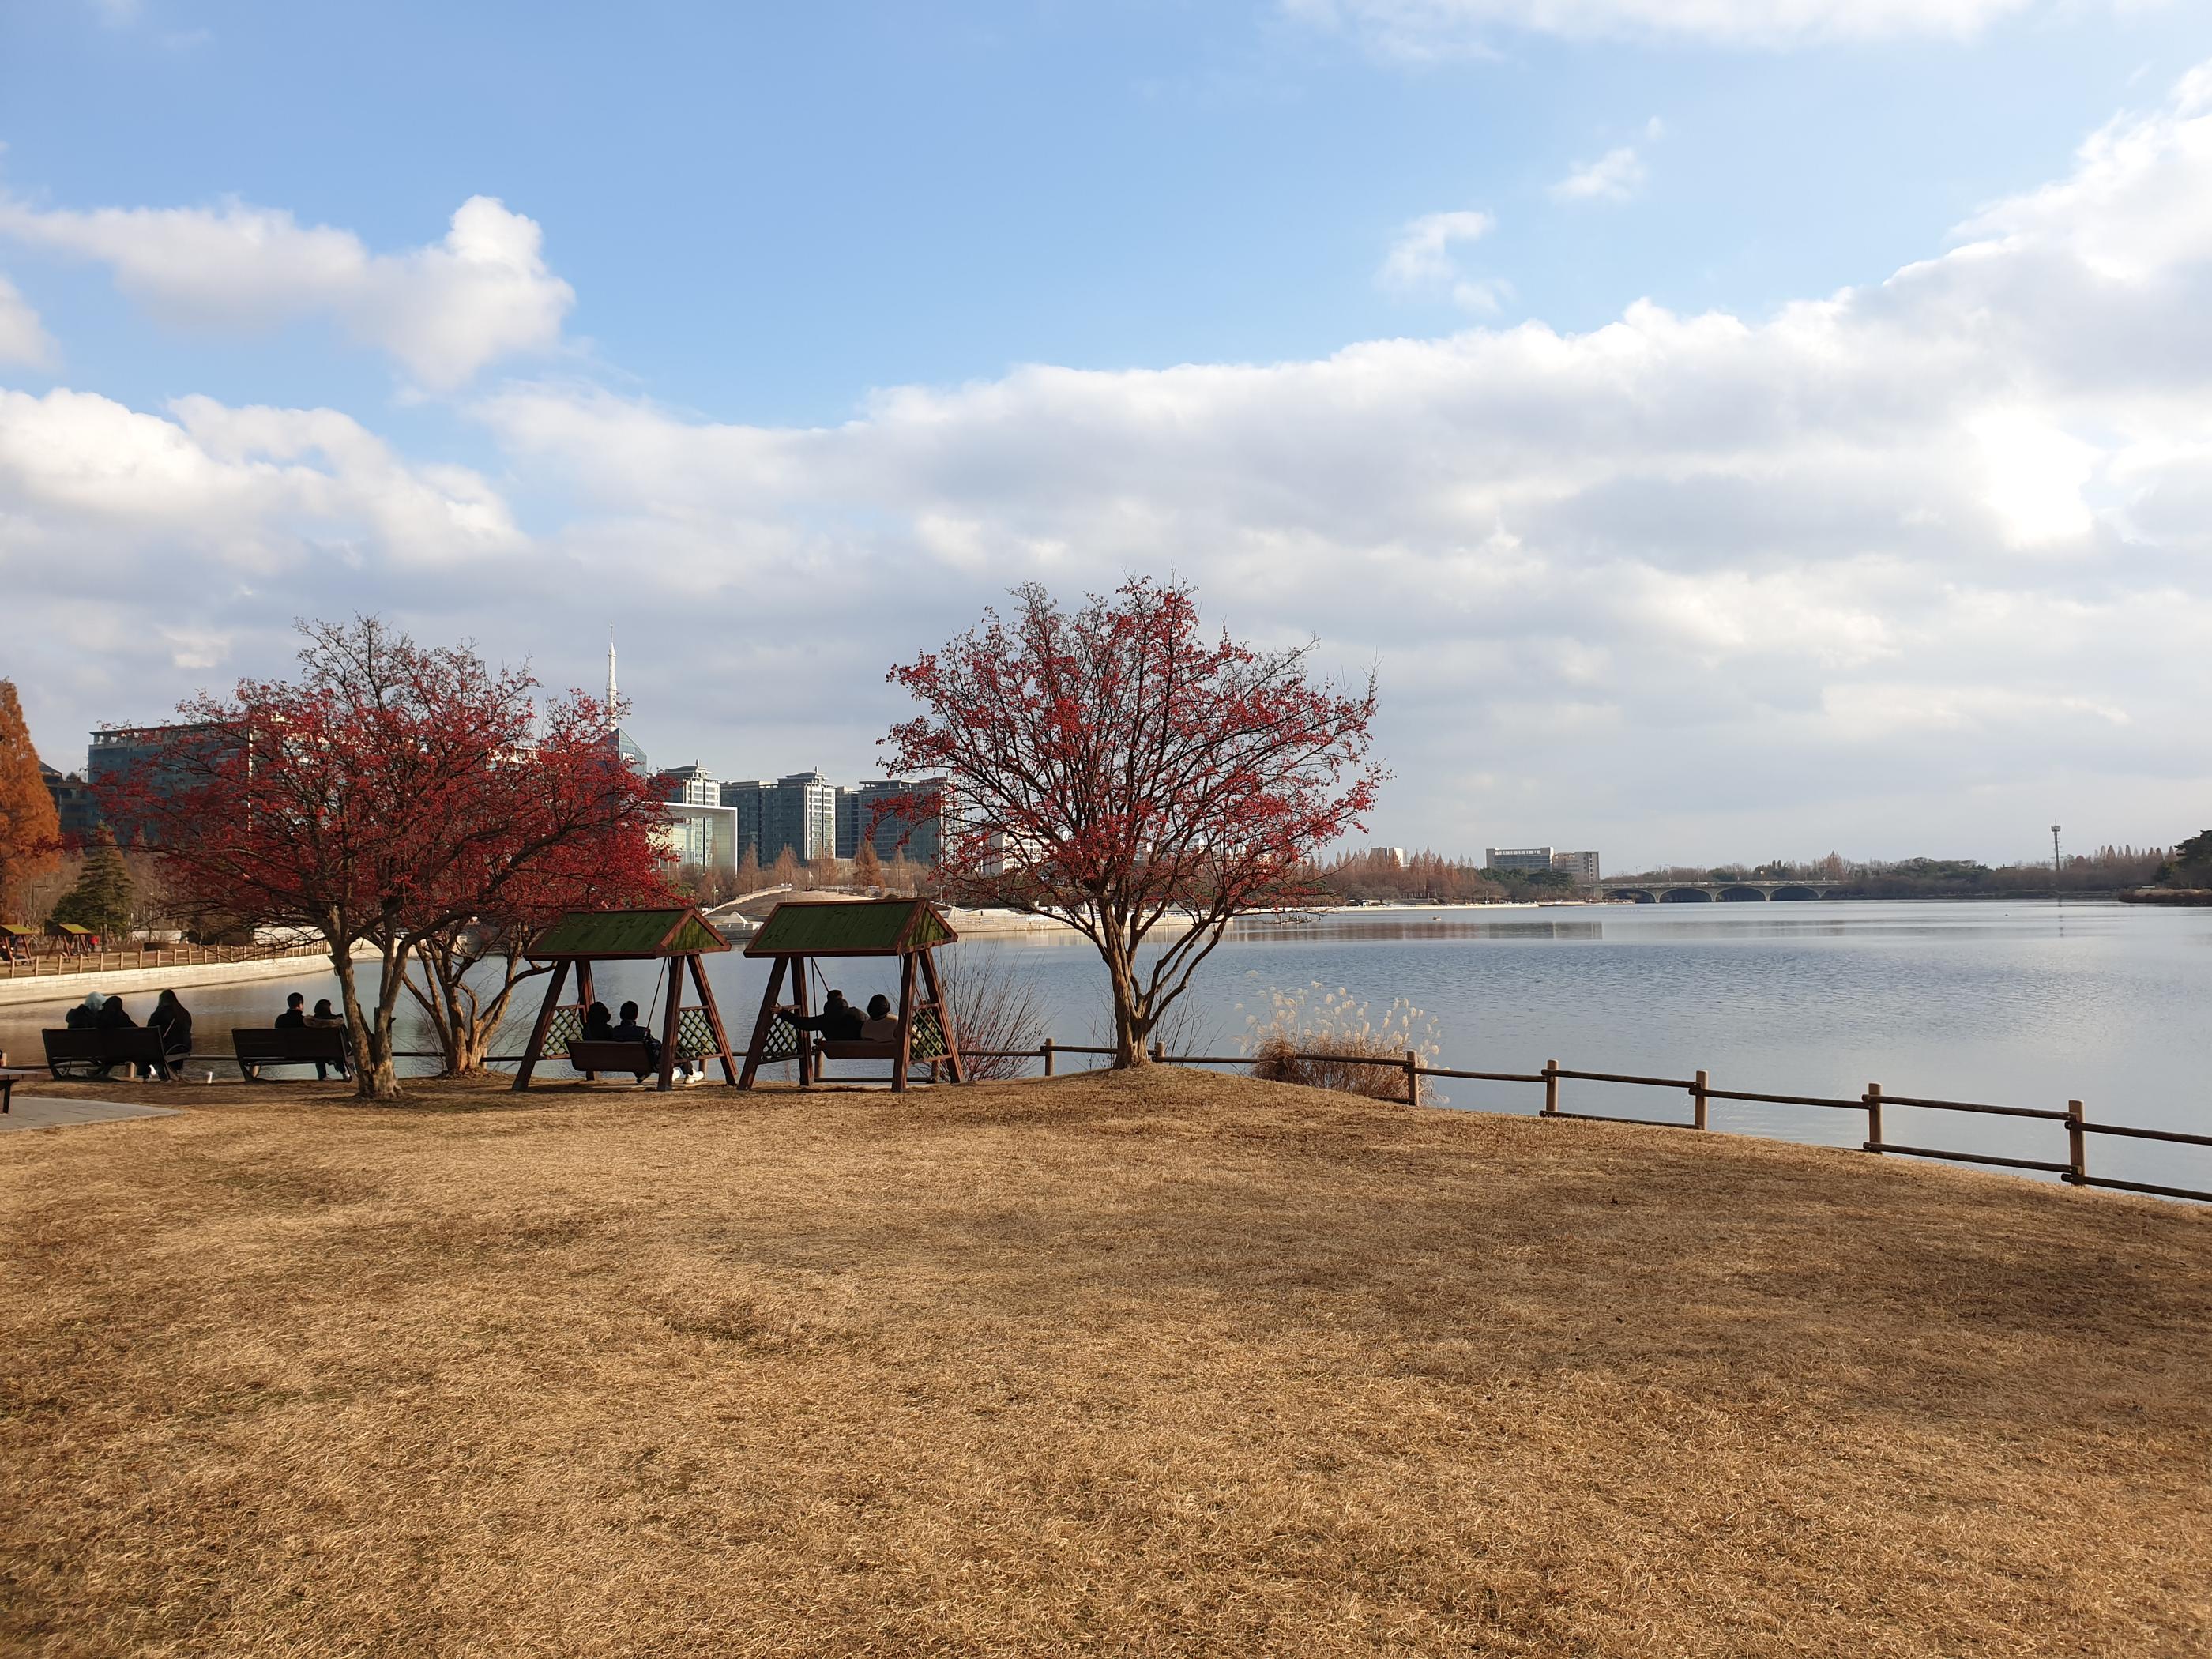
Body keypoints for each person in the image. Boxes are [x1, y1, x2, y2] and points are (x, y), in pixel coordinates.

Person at [608, 999, 669, 1085]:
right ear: (636, 1015)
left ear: (621, 1015)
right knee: (671, 1049)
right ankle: (689, 1072)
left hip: (622, 1063)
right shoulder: (643, 1032)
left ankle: (643, 1074)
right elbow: (657, 1045)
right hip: (646, 1064)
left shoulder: (614, 1031)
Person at [791, 988, 865, 1044]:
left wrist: (782, 1012)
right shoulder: (855, 1013)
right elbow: (870, 1023)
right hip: (858, 1045)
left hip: (835, 1049)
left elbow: (802, 1023)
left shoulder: (823, 1020)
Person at [148, 990, 194, 1071]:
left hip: (167, 1049)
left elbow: (150, 1030)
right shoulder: (184, 1013)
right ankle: (172, 1075)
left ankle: (163, 1075)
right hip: (184, 1048)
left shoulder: (159, 1013)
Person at [307, 998, 349, 1080]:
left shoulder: (311, 1023)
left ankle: (322, 1075)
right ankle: (345, 1072)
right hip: (337, 1052)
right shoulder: (336, 1021)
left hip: (317, 1052)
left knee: (320, 1051)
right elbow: (347, 1037)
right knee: (339, 1050)